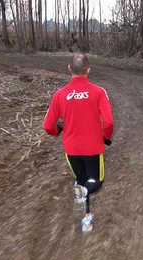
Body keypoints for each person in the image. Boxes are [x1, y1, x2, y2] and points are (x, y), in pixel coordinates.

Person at [43, 53, 114, 233]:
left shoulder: (59, 95)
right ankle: (82, 202)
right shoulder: (99, 92)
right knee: (96, 181)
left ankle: (85, 219)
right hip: (93, 147)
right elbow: (109, 121)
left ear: (69, 69)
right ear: (88, 70)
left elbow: (47, 125)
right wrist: (106, 137)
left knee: (81, 181)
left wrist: (57, 131)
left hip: (71, 148)